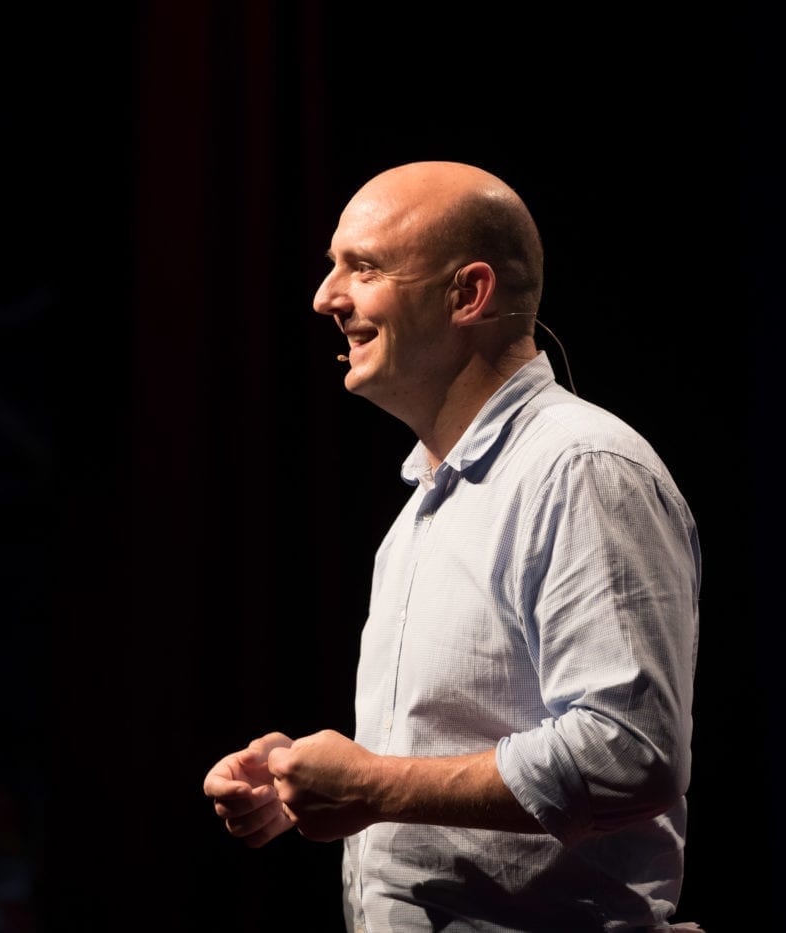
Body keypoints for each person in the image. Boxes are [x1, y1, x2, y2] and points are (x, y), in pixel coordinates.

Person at [204, 161, 702, 932]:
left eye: (361, 267)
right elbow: (444, 754)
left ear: (468, 294)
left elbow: (629, 751)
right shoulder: (425, 509)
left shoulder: (579, 469)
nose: (326, 297)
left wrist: (377, 786)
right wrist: (303, 784)